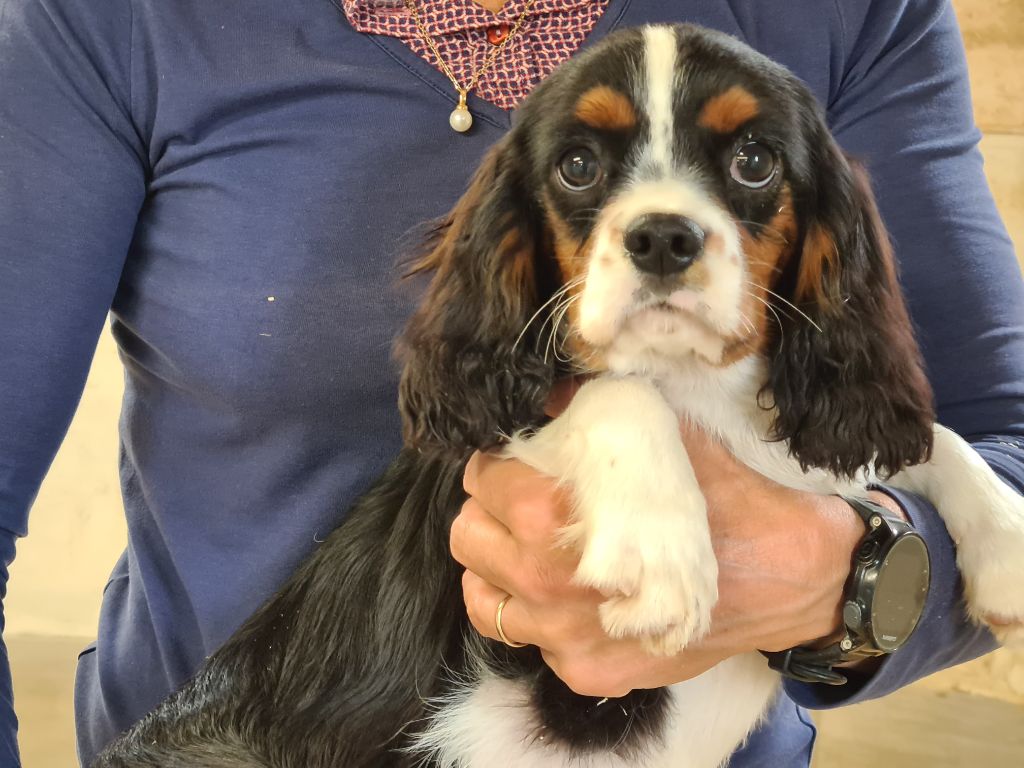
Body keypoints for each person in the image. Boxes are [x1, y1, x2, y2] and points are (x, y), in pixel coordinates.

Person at [0, 0, 1021, 766]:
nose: (663, 218)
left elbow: (994, 432)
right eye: (582, 170)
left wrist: (857, 574)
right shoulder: (104, 20)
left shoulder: (853, 13)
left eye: (749, 162)